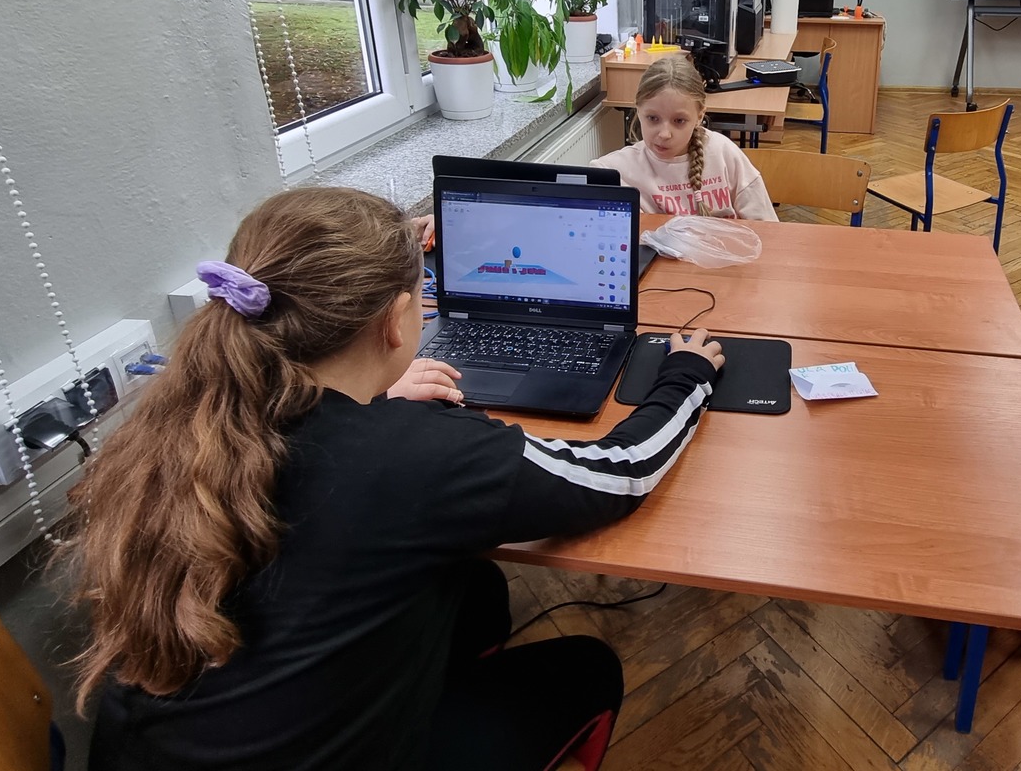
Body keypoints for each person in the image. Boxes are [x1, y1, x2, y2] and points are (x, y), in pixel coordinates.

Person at [62, 186, 723, 771]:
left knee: (477, 589)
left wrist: (372, 396)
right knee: (587, 666)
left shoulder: (179, 425)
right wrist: (685, 377)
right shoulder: (420, 455)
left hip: (146, 753)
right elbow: (623, 473)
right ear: (395, 319)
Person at [594, 55, 779, 220]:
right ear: (638, 111)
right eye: (652, 118)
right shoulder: (616, 170)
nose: (664, 134)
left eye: (679, 121)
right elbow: (595, 176)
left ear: (699, 116)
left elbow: (769, 229)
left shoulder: (723, 153)